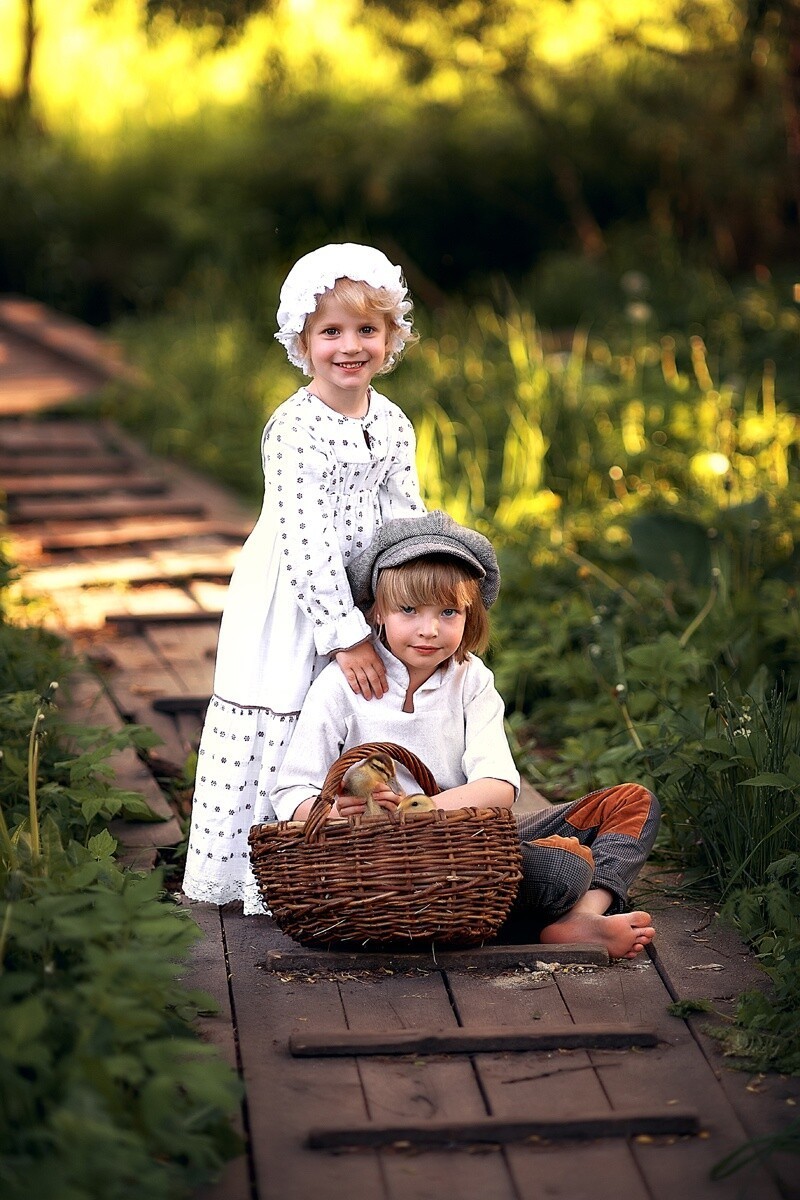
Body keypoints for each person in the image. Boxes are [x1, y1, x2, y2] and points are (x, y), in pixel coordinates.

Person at [271, 511, 660, 960]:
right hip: (380, 862)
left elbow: (497, 787)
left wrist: (423, 811)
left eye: (448, 611)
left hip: (464, 844)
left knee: (633, 803)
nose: (429, 629)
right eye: (409, 610)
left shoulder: (469, 679)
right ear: (376, 609)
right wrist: (338, 812)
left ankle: (583, 916)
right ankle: (503, 908)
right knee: (561, 868)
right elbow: (291, 790)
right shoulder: (343, 685)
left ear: (469, 611)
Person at [182, 243, 425, 913]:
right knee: (296, 705)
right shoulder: (294, 429)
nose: (350, 347)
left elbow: (405, 512)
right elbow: (307, 540)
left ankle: (356, 862)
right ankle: (274, 871)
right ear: (303, 340)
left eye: (366, 331)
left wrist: (409, 594)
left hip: (365, 591)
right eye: (332, 333)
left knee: (362, 713)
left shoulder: (393, 421)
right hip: (296, 599)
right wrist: (344, 634)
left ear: (391, 337)